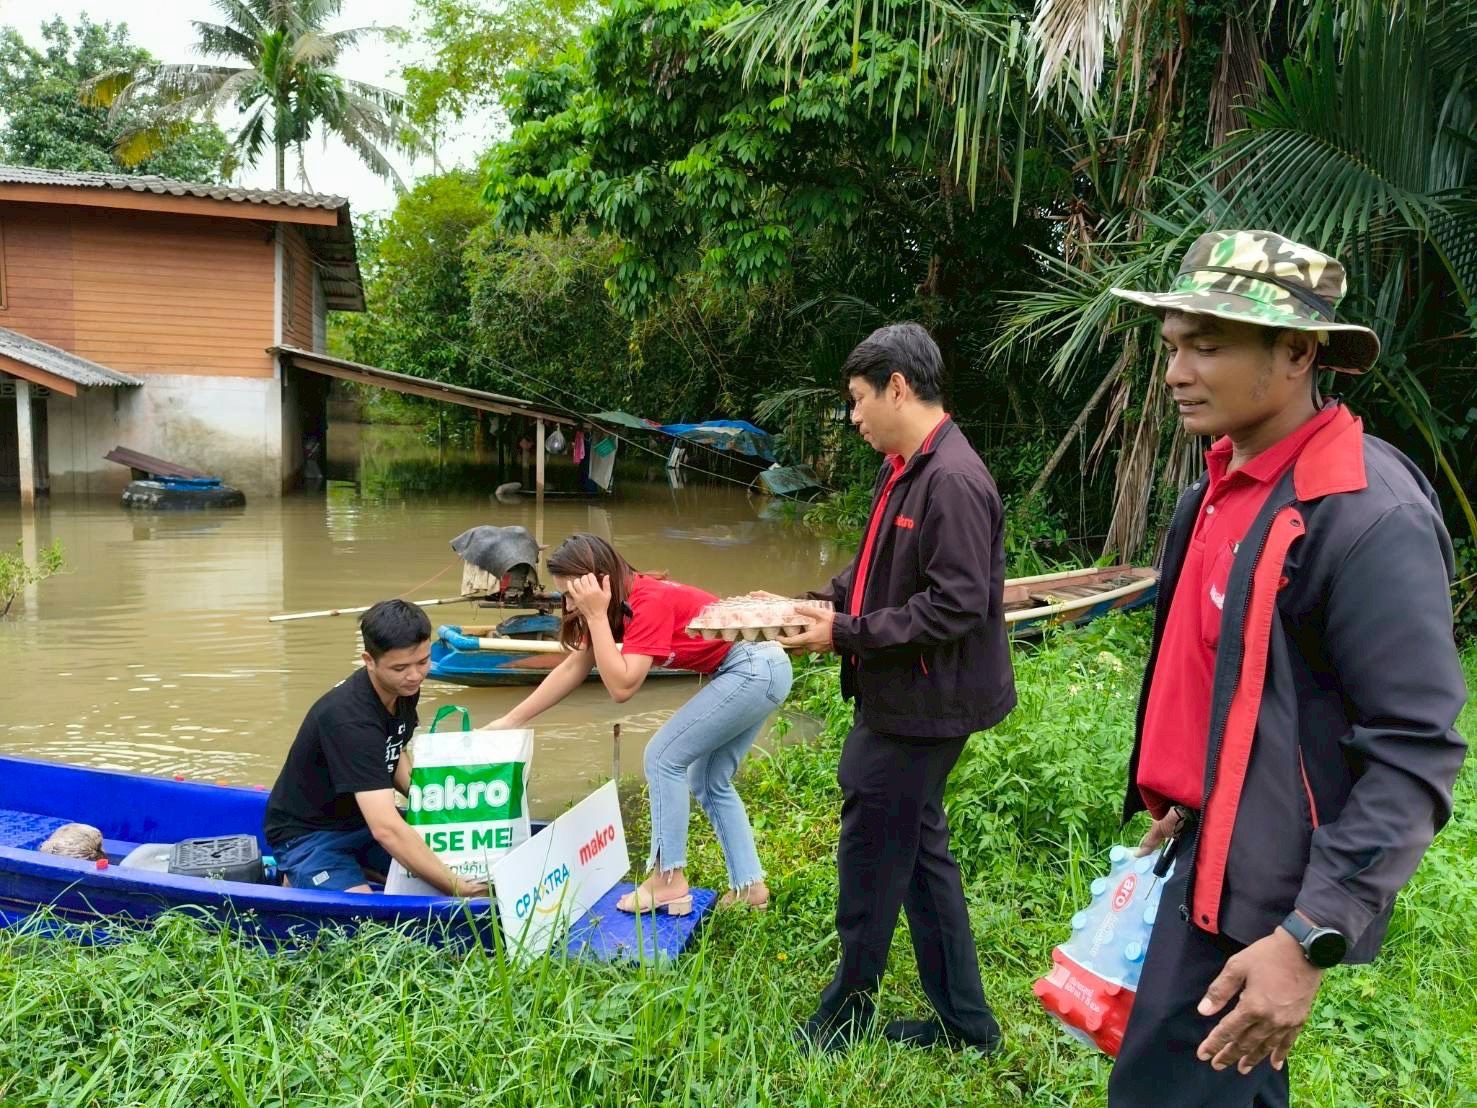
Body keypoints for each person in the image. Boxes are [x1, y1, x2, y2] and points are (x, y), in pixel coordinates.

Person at [1103, 230, 1467, 1106]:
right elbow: (1231, 687)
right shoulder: (1216, 491)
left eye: (1209, 345)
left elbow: (1414, 753)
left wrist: (1310, 935)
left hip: (1267, 906)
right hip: (1203, 860)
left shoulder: (1363, 517)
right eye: (1173, 346)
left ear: (1299, 352)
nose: (1177, 373)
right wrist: (1186, 800)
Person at [779, 322, 1017, 1054]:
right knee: (916, 855)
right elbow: (873, 568)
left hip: (925, 704)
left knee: (872, 855)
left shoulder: (952, 479)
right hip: (905, 694)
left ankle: (846, 1010)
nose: (853, 416)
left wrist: (843, 636)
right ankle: (965, 1025)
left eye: (857, 399)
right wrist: (820, 603)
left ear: (898, 388)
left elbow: (954, 605)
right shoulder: (903, 466)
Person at [485, 533, 792, 913]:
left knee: (663, 757)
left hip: (753, 667)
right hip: (759, 667)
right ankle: (750, 888)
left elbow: (622, 686)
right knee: (708, 780)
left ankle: (667, 879)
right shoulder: (622, 603)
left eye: (572, 593)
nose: (568, 604)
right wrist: (511, 719)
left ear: (598, 581)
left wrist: (596, 615)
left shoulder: (648, 601)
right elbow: (573, 667)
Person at [264, 600, 488, 897]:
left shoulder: (402, 687)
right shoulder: (349, 720)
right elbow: (385, 828)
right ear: (369, 660)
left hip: (362, 821)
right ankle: (301, 871)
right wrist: (460, 889)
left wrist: (435, 802)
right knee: (366, 924)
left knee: (464, 856)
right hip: (309, 835)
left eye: (423, 662)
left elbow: (394, 752)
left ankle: (332, 872)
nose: (415, 675)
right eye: (400, 667)